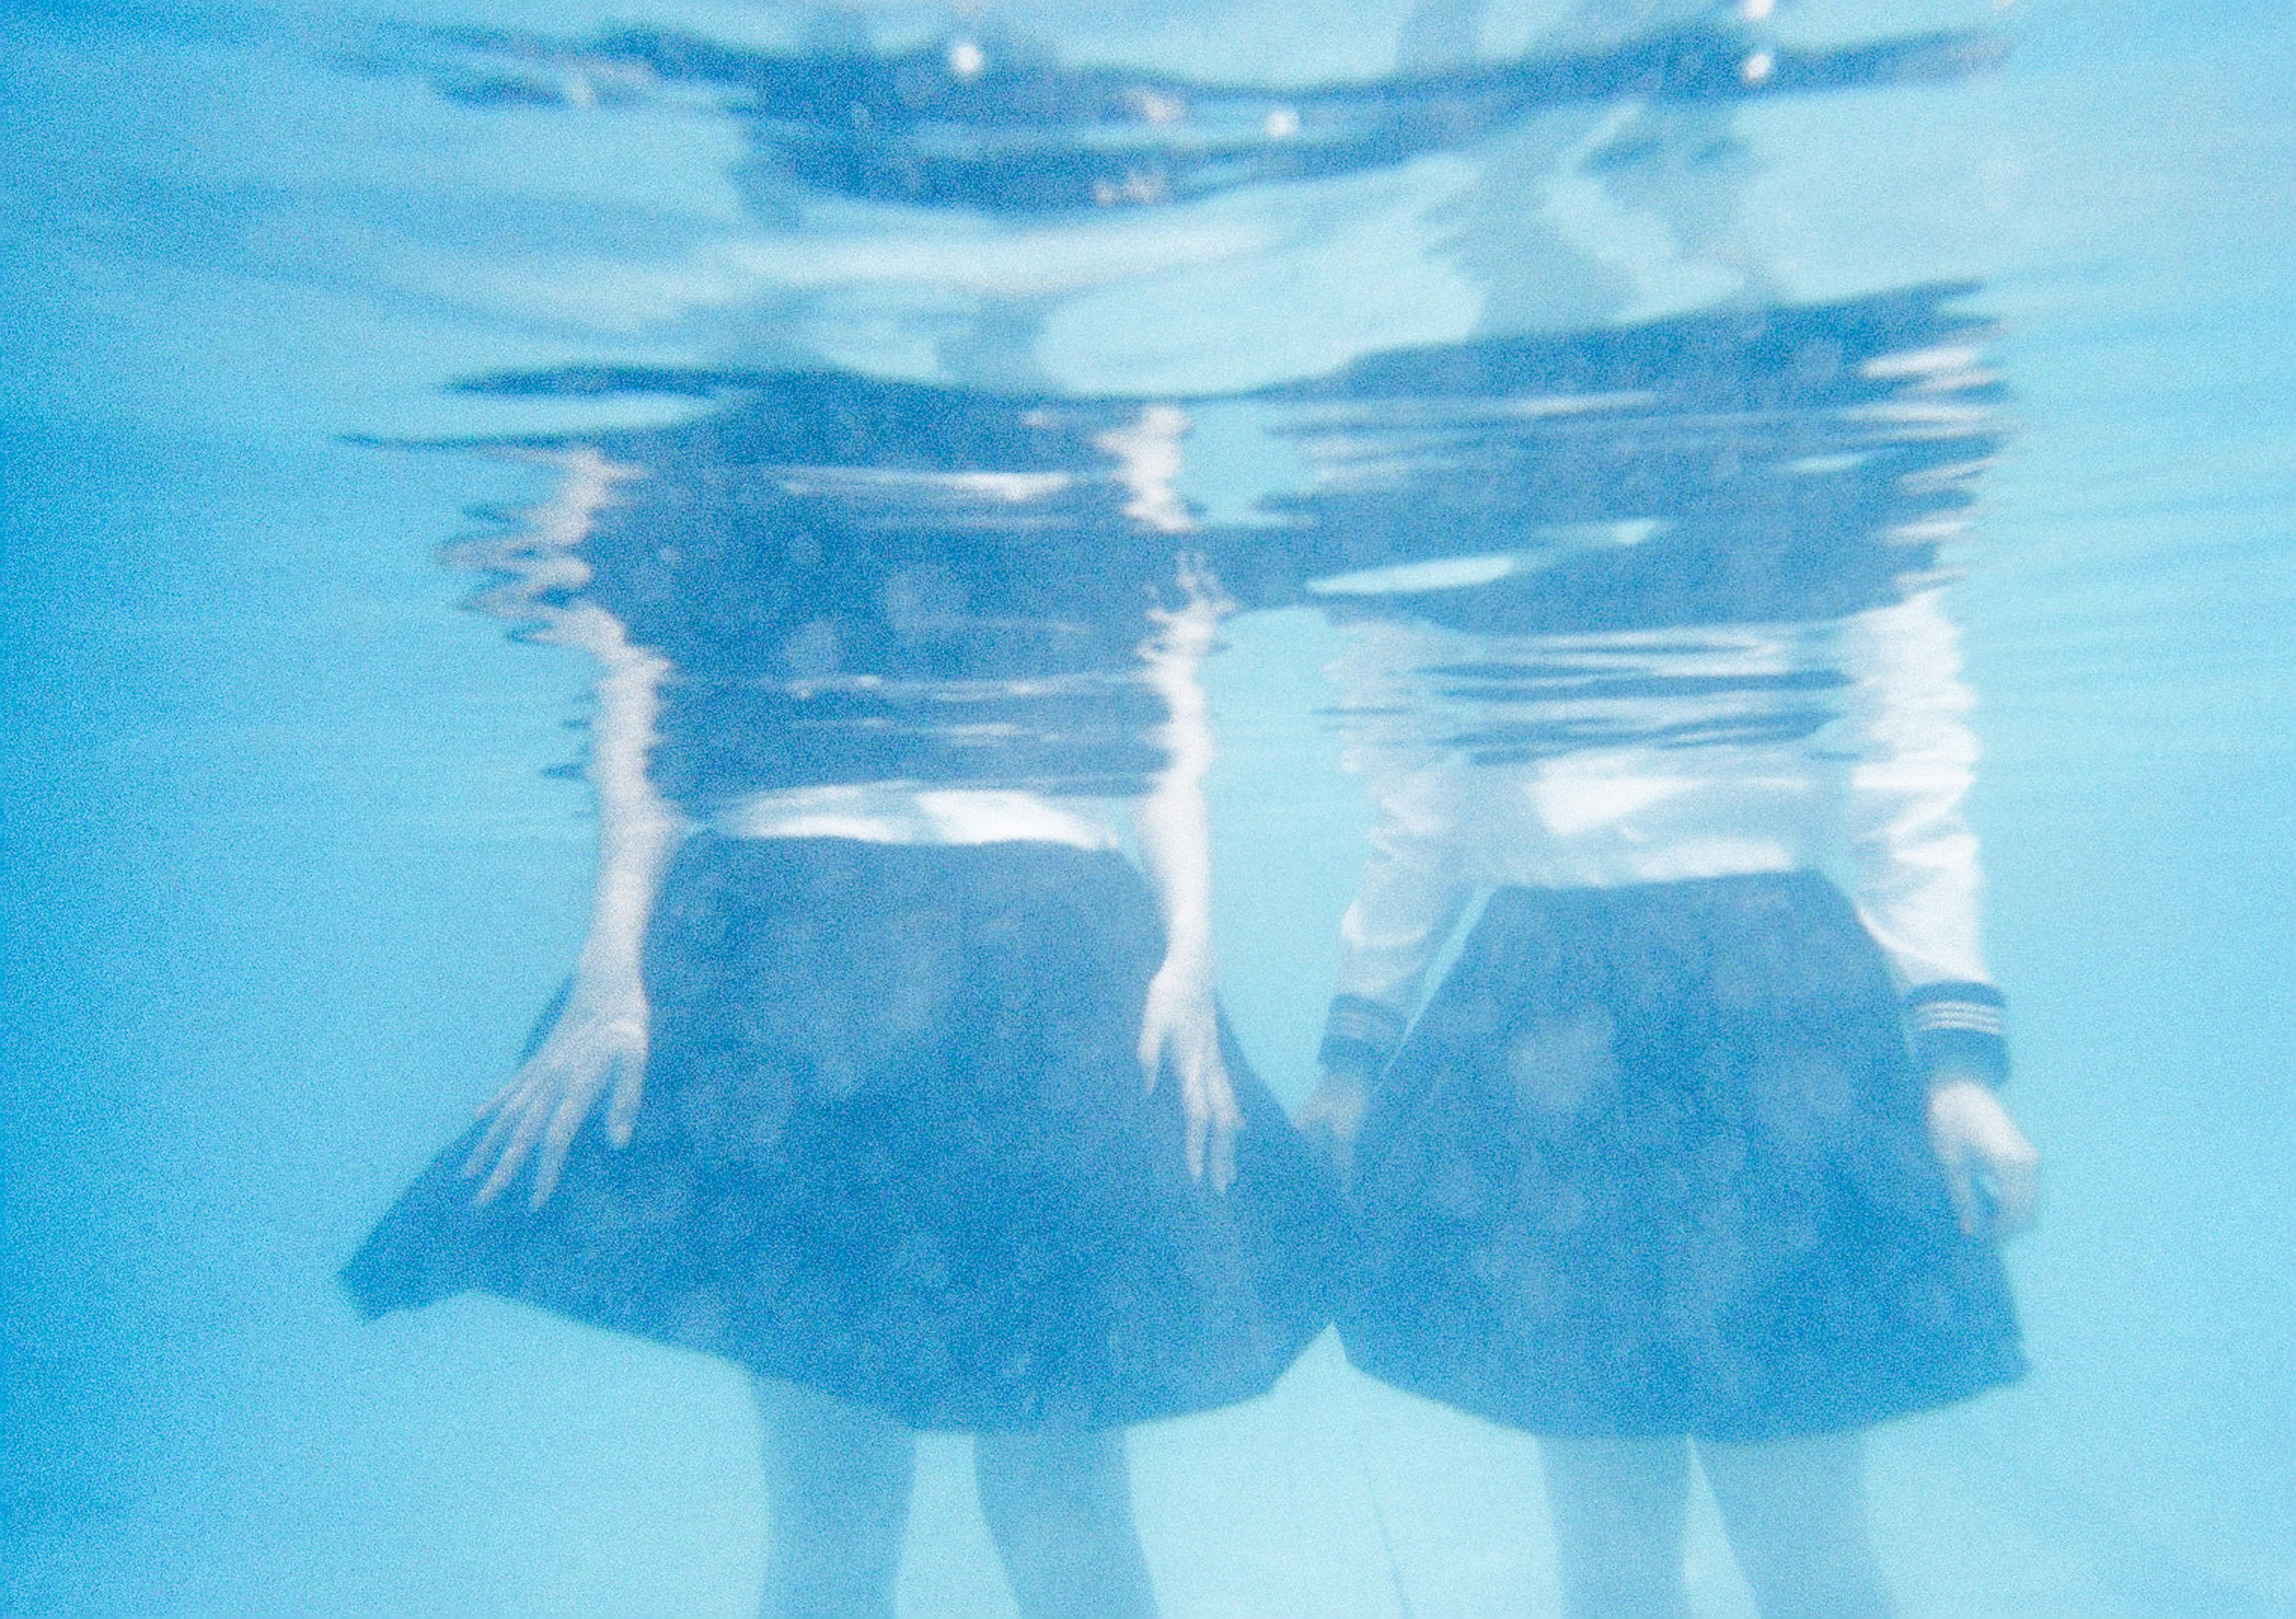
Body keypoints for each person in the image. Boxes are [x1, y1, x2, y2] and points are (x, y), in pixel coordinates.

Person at [343, 413, 1341, 1619]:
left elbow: (646, 704)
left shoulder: (772, 467)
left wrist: (1191, 953)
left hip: (829, 959)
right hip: (966, 964)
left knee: (946, 1492)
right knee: (964, 1487)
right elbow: (649, 707)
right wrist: (609, 967)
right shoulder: (1074, 444)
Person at [1294, 323, 2041, 1616]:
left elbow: (1909, 787)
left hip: (1744, 1018)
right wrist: (1351, 1062)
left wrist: (1962, 1066)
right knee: (1610, 1536)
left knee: (1800, 1524)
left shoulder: (1823, 509)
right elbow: (1418, 807)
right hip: (1596, 1017)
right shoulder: (1466, 517)